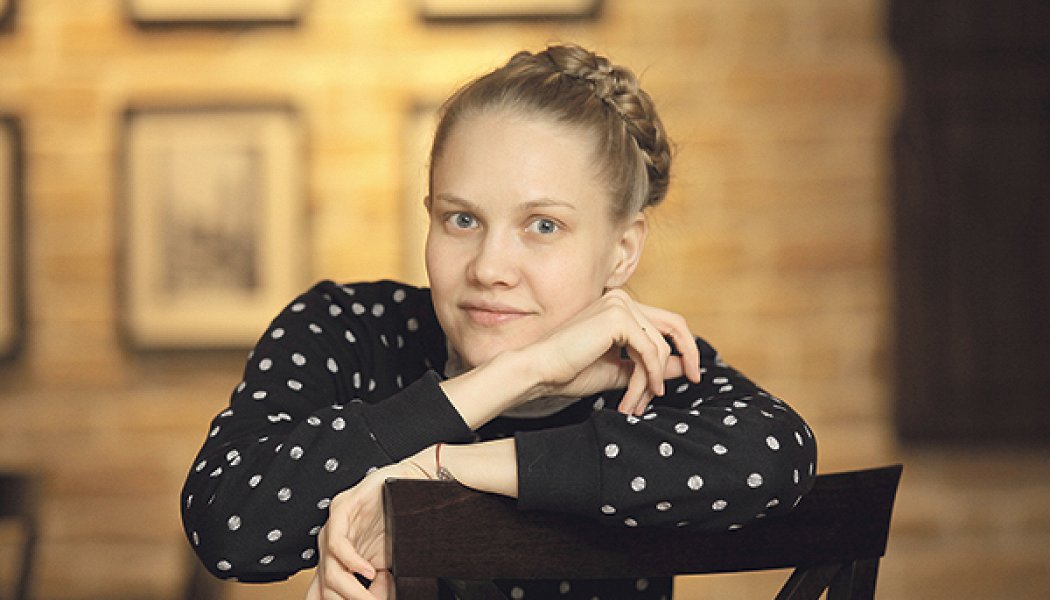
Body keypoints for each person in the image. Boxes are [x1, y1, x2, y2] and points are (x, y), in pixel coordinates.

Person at [181, 43, 817, 600]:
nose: (489, 268)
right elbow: (228, 524)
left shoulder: (641, 364)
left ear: (622, 250)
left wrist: (436, 470)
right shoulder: (348, 328)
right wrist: (522, 373)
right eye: (462, 219)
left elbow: (776, 457)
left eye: (543, 226)